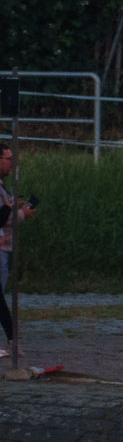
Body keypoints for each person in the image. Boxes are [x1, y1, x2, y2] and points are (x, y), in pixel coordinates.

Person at [0, 139, 29, 379]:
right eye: (8, 158)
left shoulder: (2, 187)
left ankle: (11, 339)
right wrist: (11, 208)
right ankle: (11, 340)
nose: (11, 163)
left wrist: (17, 210)